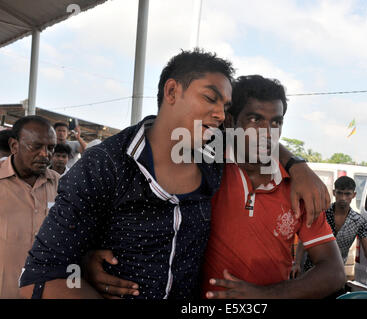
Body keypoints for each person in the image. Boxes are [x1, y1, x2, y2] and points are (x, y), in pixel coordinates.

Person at [20, 49, 330, 299]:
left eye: (225, 105)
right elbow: (40, 276)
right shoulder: (107, 163)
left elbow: (261, 140)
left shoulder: (212, 160)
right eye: (210, 99)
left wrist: (298, 165)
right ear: (171, 91)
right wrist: (82, 260)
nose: (220, 114)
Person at [85, 75, 345, 299]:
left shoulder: (297, 187)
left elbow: (333, 272)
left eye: (276, 122)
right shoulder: (204, 165)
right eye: (255, 119)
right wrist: (88, 255)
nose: (267, 132)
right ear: (230, 122)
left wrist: (264, 296)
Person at [0, 116, 59, 298]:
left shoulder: (62, 186)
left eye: (50, 148)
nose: (45, 154)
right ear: (14, 146)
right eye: (36, 147)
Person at [291, 176, 367, 284]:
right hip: (310, 270)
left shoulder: (359, 221)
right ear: (334, 193)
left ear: (354, 195)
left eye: (347, 194)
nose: (343, 198)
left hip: (335, 274)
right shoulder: (321, 214)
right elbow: (304, 239)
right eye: (340, 193)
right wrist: (296, 263)